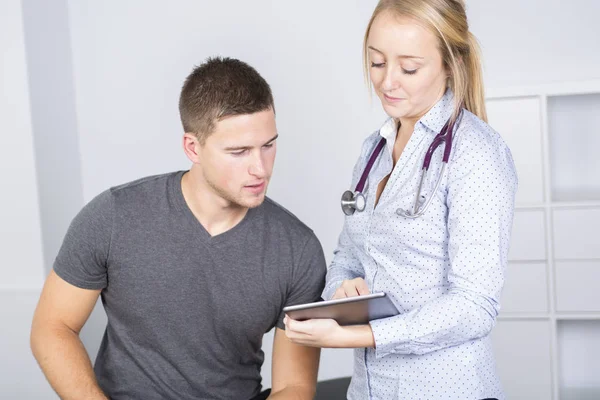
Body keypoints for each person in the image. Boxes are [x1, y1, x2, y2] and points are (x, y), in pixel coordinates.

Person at [30, 57, 326, 400]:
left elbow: (294, 386)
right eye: (239, 151)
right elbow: (52, 328)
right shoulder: (112, 217)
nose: (260, 168)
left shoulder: (297, 248)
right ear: (192, 147)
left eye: (268, 145)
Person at [283, 1, 517, 399]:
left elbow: (475, 306)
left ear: (450, 63)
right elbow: (347, 258)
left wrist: (362, 335)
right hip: (369, 390)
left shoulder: (476, 154)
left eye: (408, 68)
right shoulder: (374, 149)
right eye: (376, 63)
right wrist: (342, 290)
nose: (387, 82)